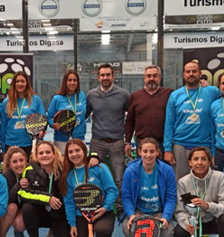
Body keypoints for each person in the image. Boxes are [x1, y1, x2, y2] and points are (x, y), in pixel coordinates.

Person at [164, 61, 222, 181]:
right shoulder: (175, 95)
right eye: (188, 72)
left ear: (200, 74)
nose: (191, 74)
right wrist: (167, 149)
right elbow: (169, 123)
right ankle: (182, 201)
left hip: (204, 144)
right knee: (181, 181)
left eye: (194, 71)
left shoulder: (212, 92)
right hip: (180, 146)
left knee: (205, 181)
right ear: (183, 75)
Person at [61, 139, 118, 237]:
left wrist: (105, 207)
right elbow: (69, 202)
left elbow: (112, 190)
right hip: (81, 214)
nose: (74, 154)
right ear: (67, 155)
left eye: (77, 150)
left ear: (84, 151)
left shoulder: (99, 168)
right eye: (70, 152)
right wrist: (72, 224)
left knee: (103, 230)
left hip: (102, 211)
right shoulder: (69, 175)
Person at [120, 138, 176, 237]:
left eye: (152, 151)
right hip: (139, 211)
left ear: (157, 152)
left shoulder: (167, 171)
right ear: (139, 152)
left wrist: (165, 217)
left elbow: (171, 198)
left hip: (158, 211)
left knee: (167, 232)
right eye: (145, 151)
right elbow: (126, 197)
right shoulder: (131, 171)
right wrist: (131, 215)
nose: (148, 155)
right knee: (127, 228)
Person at [85, 63, 129, 209]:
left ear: (113, 76)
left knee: (119, 177)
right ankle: (96, 203)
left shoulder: (123, 95)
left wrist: (128, 140)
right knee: (94, 174)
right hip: (97, 142)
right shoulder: (91, 95)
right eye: (102, 75)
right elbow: (83, 114)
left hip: (117, 143)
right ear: (98, 77)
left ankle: (118, 206)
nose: (105, 77)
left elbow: (132, 117)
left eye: (108, 75)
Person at [19, 141, 72, 237]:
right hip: (40, 214)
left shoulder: (64, 170)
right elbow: (24, 193)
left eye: (48, 152)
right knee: (27, 208)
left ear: (54, 154)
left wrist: (94, 157)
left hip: (59, 213)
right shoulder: (29, 170)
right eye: (41, 153)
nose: (44, 155)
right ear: (36, 156)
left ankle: (54, 230)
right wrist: (48, 199)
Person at [124, 65, 172, 158]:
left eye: (155, 76)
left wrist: (202, 85)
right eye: (148, 76)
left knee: (163, 171)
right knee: (143, 171)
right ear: (144, 78)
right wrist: (127, 142)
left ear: (160, 77)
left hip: (163, 144)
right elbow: (130, 121)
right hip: (142, 143)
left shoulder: (169, 94)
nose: (151, 78)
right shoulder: (135, 96)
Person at [1, 71, 46, 157]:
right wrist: (3, 148)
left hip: (30, 143)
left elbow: (42, 119)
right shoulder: (7, 101)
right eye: (17, 81)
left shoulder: (35, 100)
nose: (20, 84)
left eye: (22, 81)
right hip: (11, 144)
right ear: (13, 84)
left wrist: (42, 131)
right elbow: (3, 125)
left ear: (27, 83)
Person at [47, 69, 87, 153]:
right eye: (69, 80)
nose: (72, 83)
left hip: (79, 139)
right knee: (63, 166)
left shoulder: (81, 95)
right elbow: (50, 117)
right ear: (65, 82)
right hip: (61, 141)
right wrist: (53, 125)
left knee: (79, 165)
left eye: (75, 80)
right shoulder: (57, 98)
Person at [0, 147, 28, 237]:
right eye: (14, 162)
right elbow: (6, 200)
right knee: (12, 207)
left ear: (26, 160)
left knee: (20, 224)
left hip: (23, 207)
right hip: (9, 207)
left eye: (21, 160)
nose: (19, 164)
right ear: (9, 164)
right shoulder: (6, 176)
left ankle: (18, 232)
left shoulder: (31, 173)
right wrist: (18, 186)